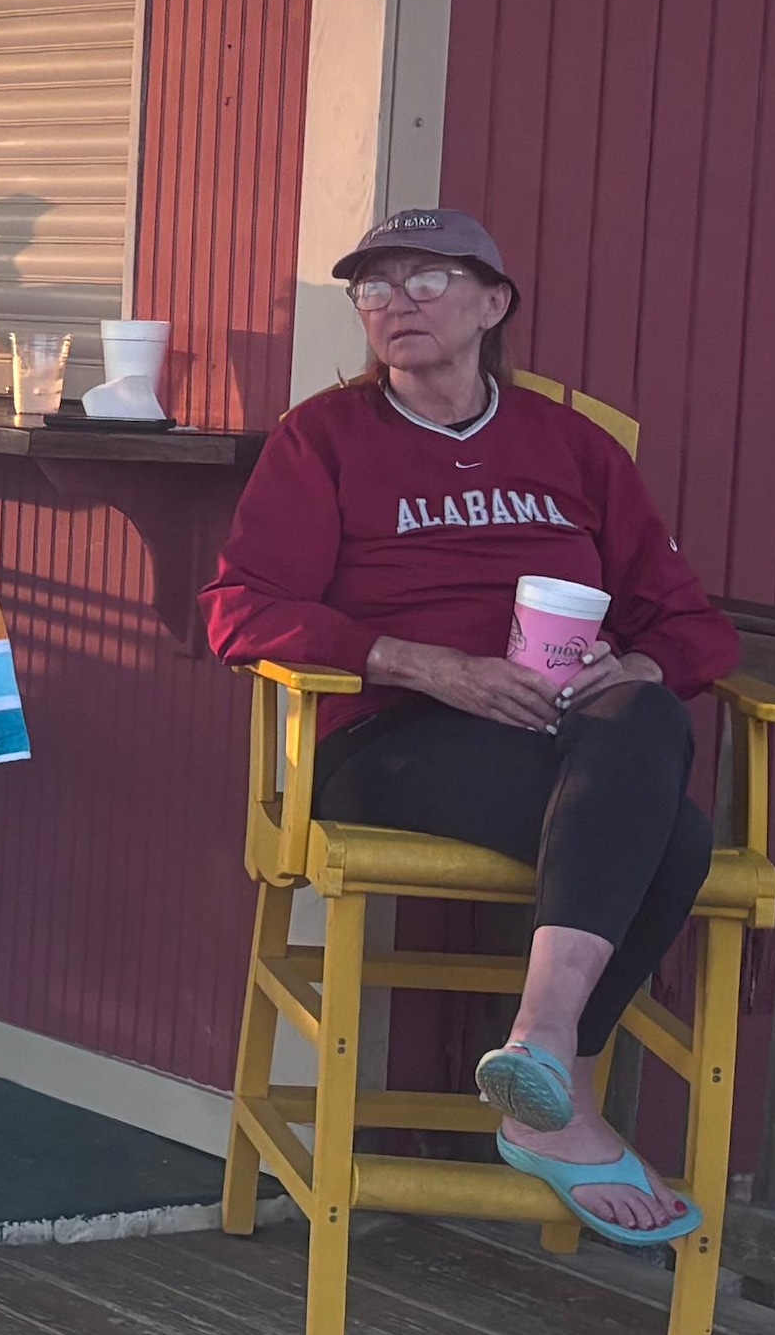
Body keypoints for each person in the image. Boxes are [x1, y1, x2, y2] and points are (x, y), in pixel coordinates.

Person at [203, 207, 735, 1243]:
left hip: (563, 742)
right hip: (389, 744)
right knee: (668, 834)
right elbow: (238, 610)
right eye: (371, 287)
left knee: (648, 716)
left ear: (492, 305)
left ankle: (538, 1046)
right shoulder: (323, 440)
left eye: (425, 280)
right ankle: (560, 1090)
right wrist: (424, 665)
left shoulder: (571, 450)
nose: (393, 303)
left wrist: (636, 662)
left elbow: (690, 624)